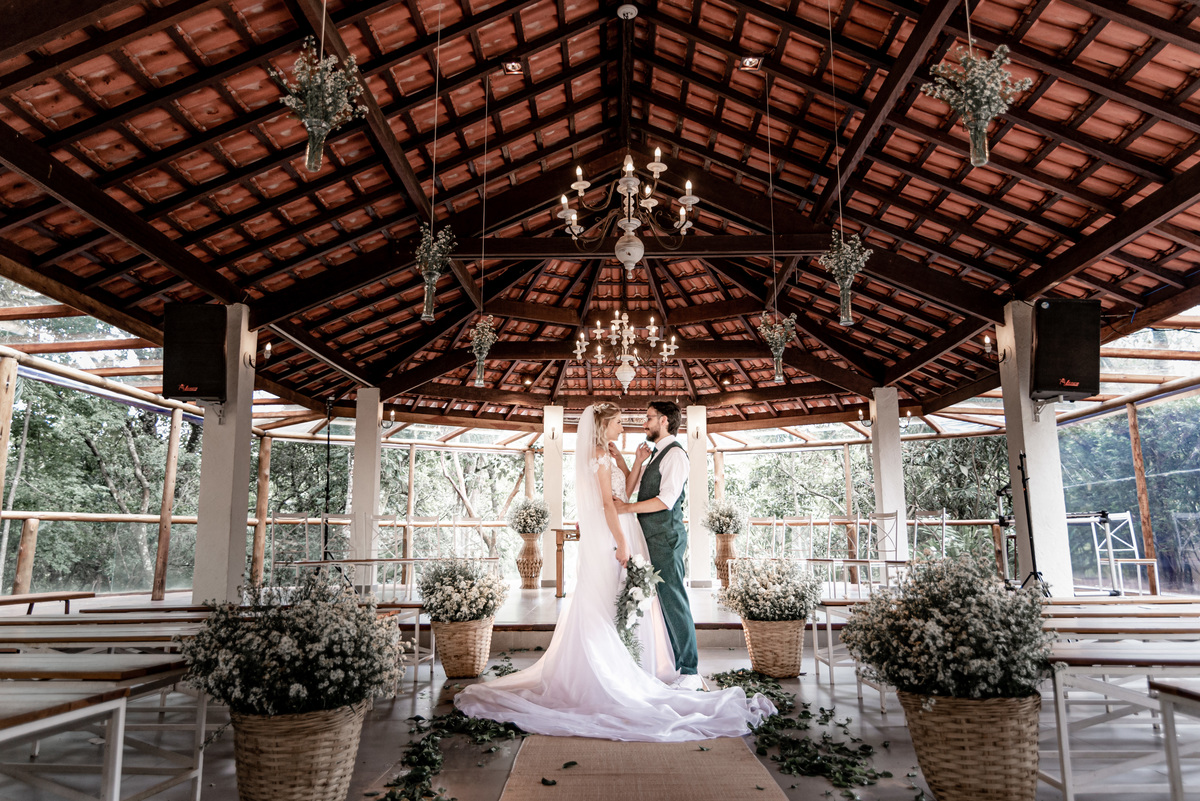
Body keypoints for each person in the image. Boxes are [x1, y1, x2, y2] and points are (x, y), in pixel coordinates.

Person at [453, 403, 774, 741]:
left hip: (638, 528)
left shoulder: (637, 453)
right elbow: (608, 502)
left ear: (663, 421)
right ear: (604, 424)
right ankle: (616, 667)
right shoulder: (603, 454)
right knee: (616, 598)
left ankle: (664, 666)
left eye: (643, 418)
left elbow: (635, 494)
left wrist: (632, 468)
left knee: (650, 597)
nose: (629, 426)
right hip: (618, 531)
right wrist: (621, 536)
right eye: (620, 422)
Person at [612, 401, 701, 689]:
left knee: (674, 601)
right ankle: (676, 666)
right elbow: (645, 489)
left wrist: (625, 508)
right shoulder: (657, 454)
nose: (644, 423)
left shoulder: (675, 455)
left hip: (666, 538)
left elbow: (666, 500)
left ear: (664, 420)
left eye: (648, 418)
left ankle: (690, 672)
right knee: (664, 602)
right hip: (653, 537)